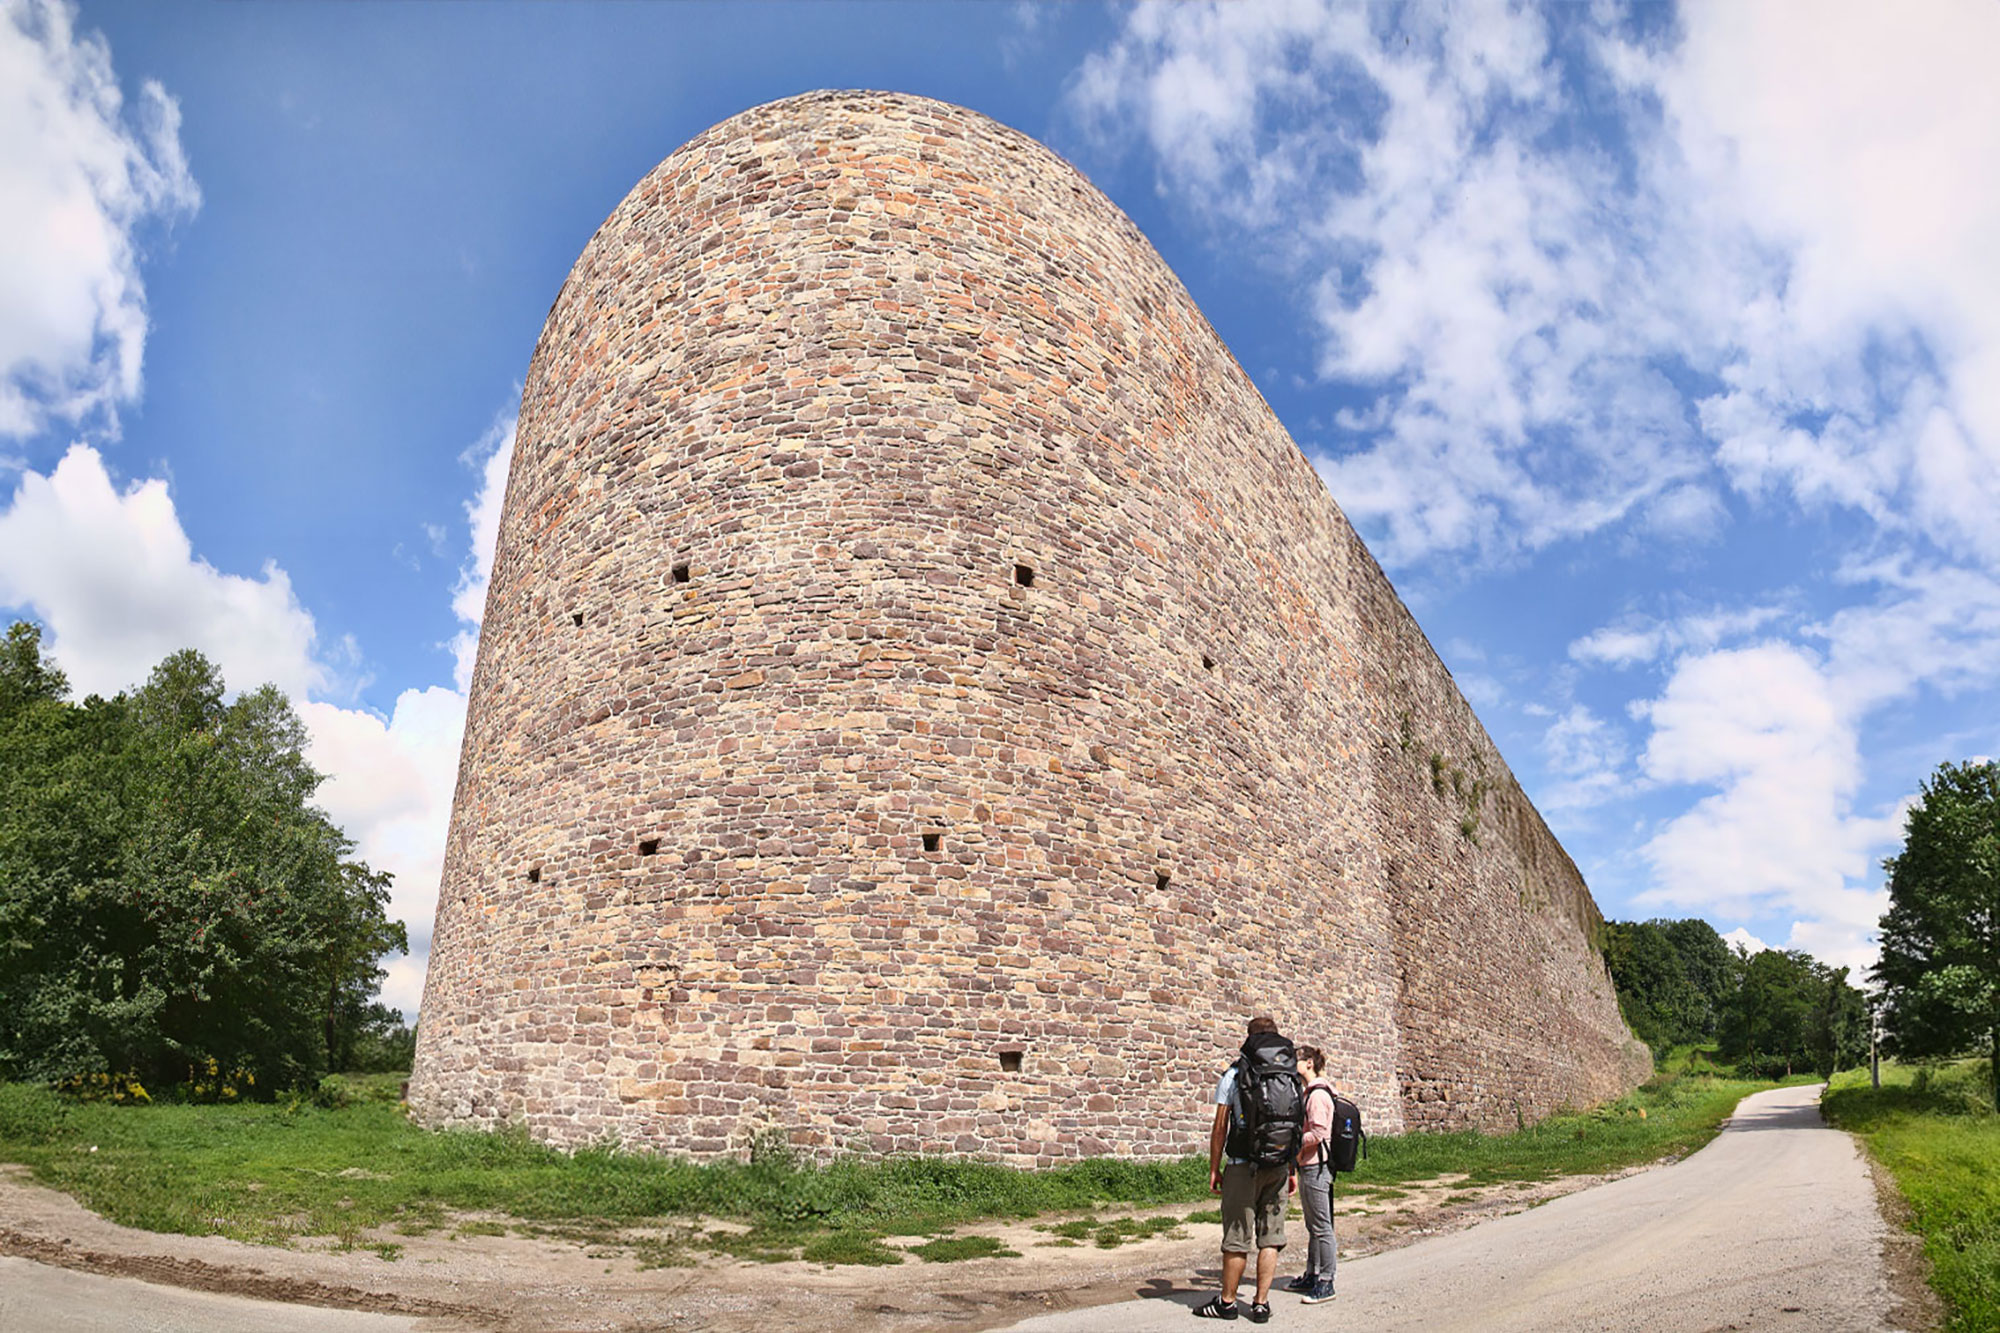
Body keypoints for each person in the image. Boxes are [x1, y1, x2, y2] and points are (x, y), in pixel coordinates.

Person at [1194, 1016, 1300, 1323]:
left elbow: (1220, 1126)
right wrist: (1291, 1167)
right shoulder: (1290, 1074)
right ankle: (1260, 1303)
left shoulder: (1236, 1073)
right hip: (1279, 1165)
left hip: (1242, 1165)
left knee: (1237, 1237)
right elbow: (1294, 1121)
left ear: (1249, 1039)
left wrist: (1215, 1169)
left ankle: (1227, 1303)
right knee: (1271, 1237)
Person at [1284, 1045, 1338, 1304]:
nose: (1292, 1065)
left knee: (1322, 1227)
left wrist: (1293, 1141)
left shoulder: (1317, 1095)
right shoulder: (1312, 1093)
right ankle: (1313, 1273)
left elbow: (1318, 1133)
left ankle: (1326, 1281)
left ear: (1307, 1064)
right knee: (1313, 1225)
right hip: (1310, 1165)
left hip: (1318, 1166)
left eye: (1295, 1060)